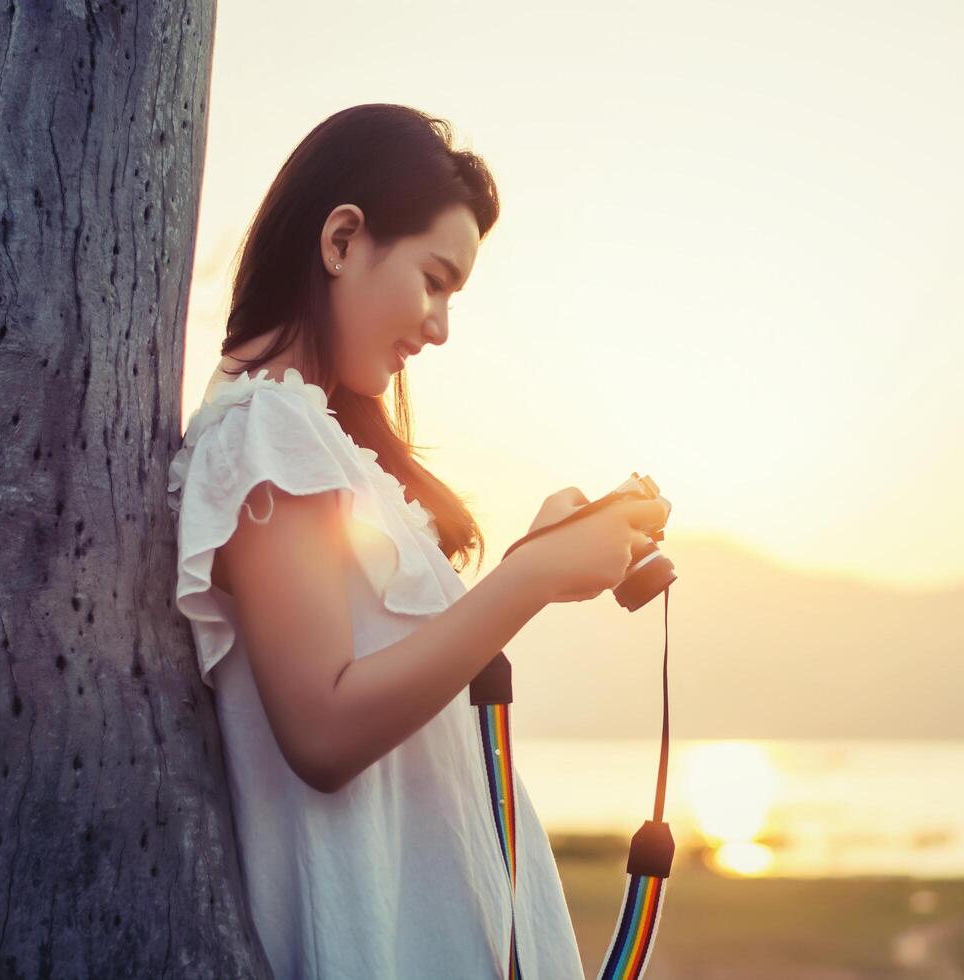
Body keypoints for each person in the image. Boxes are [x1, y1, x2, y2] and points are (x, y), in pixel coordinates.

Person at [166, 104, 669, 979]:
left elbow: (399, 674)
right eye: (434, 280)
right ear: (341, 240)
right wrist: (533, 580)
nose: (439, 326)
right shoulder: (261, 436)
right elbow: (321, 729)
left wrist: (530, 561)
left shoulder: (317, 442)